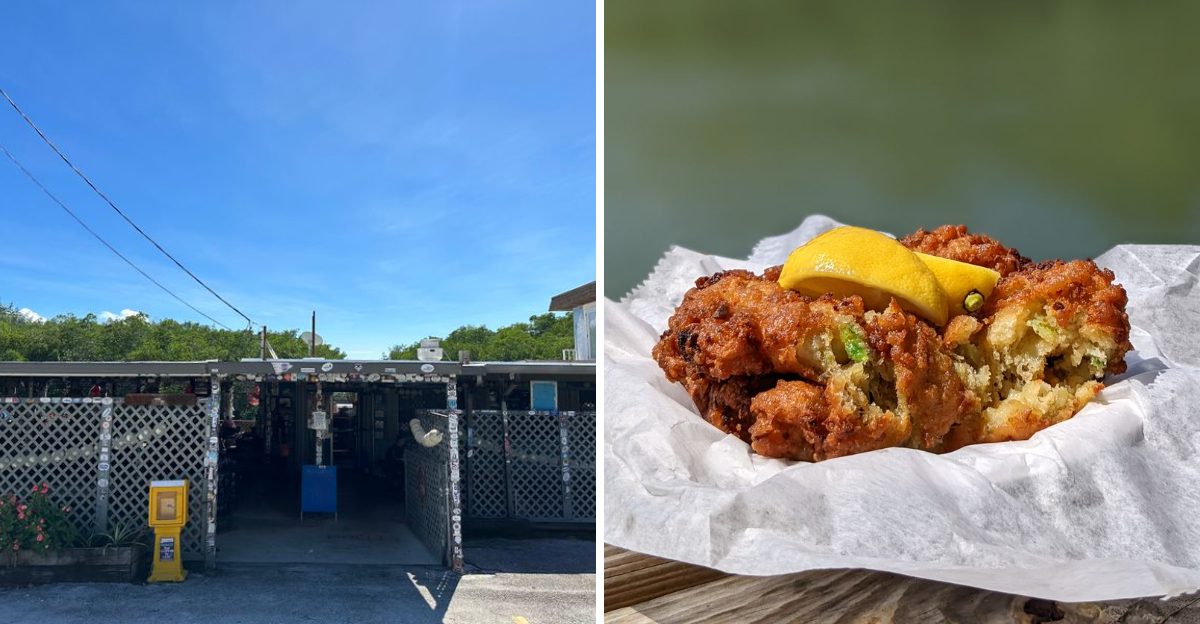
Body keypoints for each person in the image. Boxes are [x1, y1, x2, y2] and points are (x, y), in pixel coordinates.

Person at [383, 433, 409, 502]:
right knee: (396, 484)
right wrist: (402, 460)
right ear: (399, 440)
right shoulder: (393, 449)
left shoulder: (403, 448)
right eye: (403, 440)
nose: (404, 442)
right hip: (392, 469)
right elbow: (393, 460)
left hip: (398, 469)